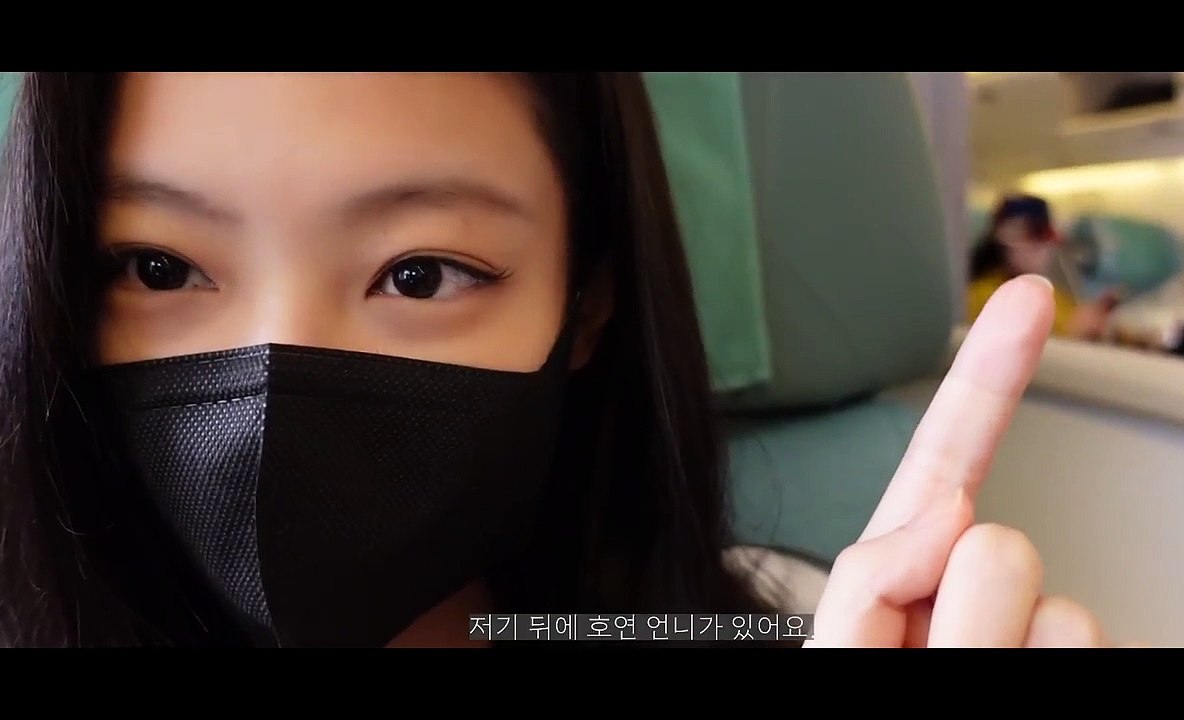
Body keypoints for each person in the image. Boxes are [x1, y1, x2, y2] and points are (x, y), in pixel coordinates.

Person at [0, 72, 1112, 648]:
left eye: (420, 275)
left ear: (584, 308)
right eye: (154, 268)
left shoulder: (801, 624)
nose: (272, 397)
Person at [969, 194, 1119, 341]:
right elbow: (1061, 333)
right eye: (1032, 238)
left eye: (1045, 241)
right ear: (1003, 240)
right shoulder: (986, 294)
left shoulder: (1051, 294)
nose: (1042, 250)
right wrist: (1084, 324)